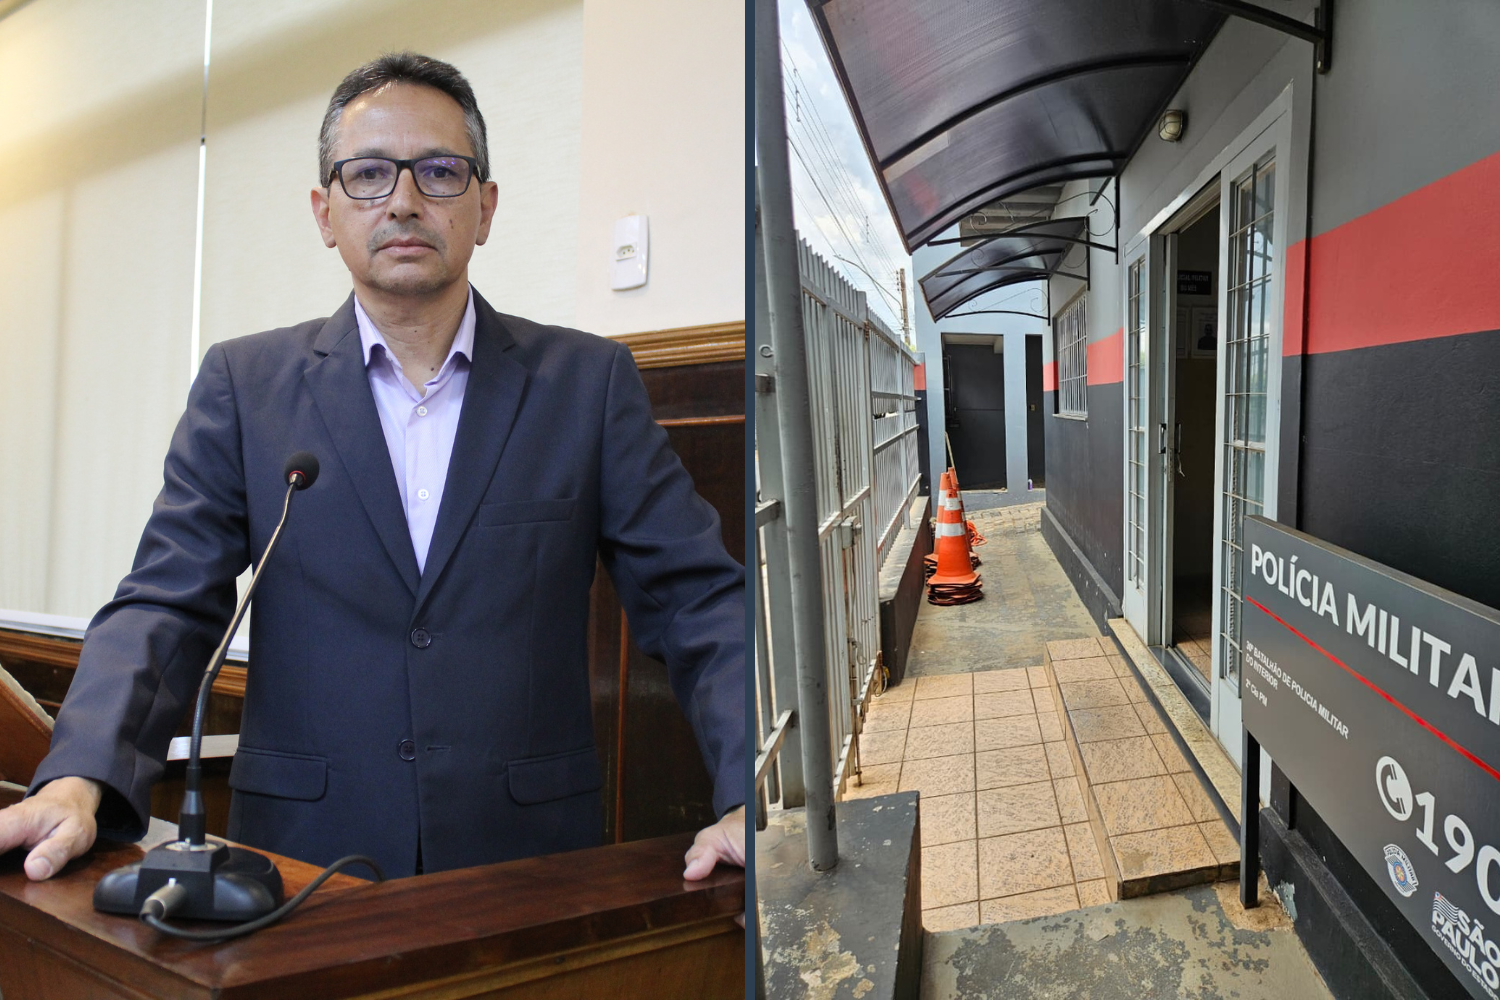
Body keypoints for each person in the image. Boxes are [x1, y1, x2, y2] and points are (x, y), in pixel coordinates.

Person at [0, 53, 744, 883]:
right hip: (296, 861)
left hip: (522, 865)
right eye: (367, 174)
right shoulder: (245, 386)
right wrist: (80, 777)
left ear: (486, 207)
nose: (403, 200)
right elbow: (166, 603)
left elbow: (697, 600)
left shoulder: (586, 384)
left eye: (440, 171)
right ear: (325, 213)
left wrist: (756, 792)